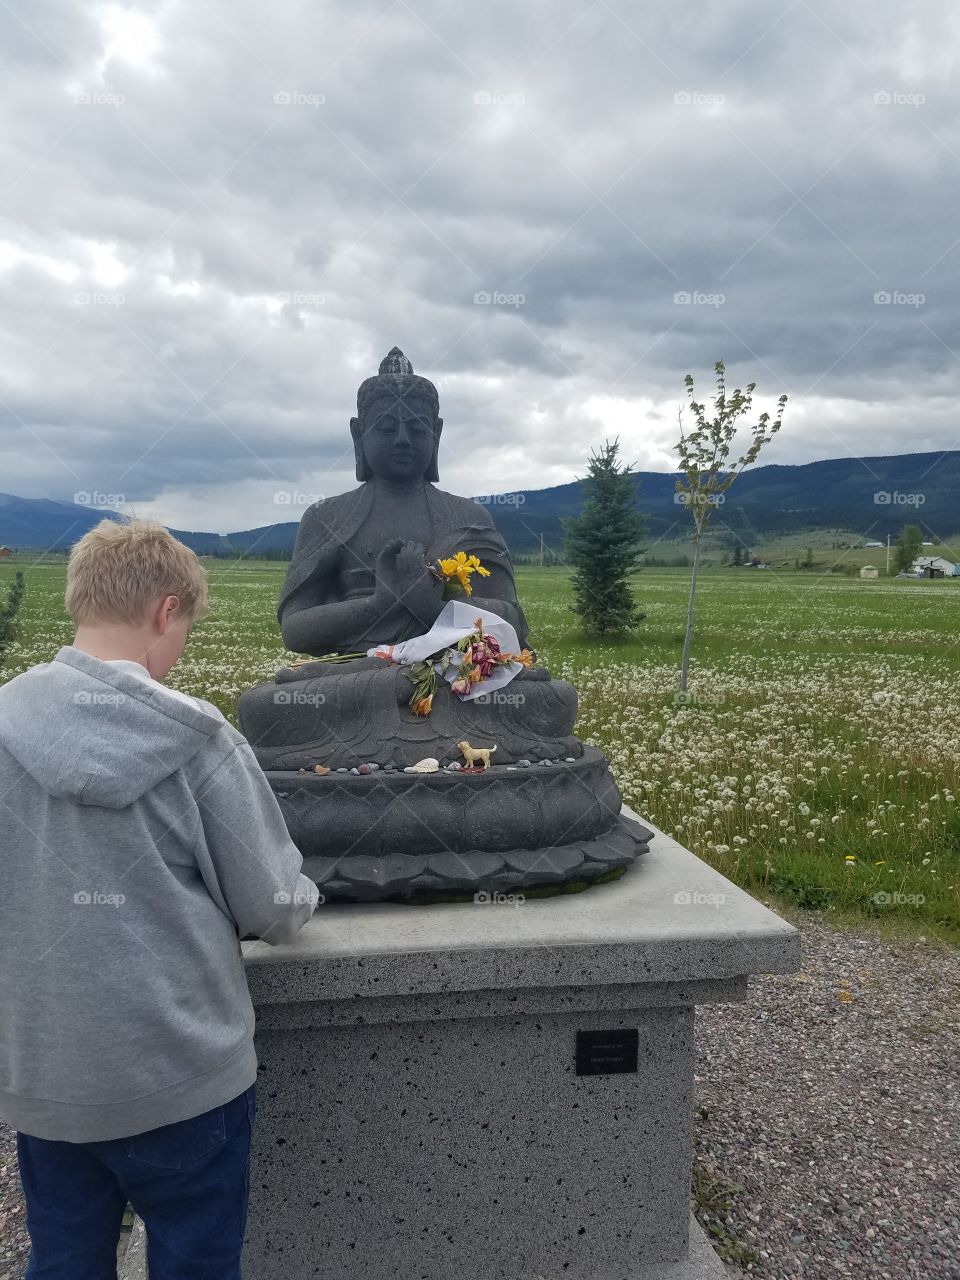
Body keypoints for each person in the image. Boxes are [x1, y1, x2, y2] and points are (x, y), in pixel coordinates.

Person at [0, 519, 319, 1279]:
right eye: (184, 630)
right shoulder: (200, 741)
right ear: (165, 611)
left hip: (47, 1076)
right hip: (182, 1080)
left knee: (65, 1260)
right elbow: (272, 907)